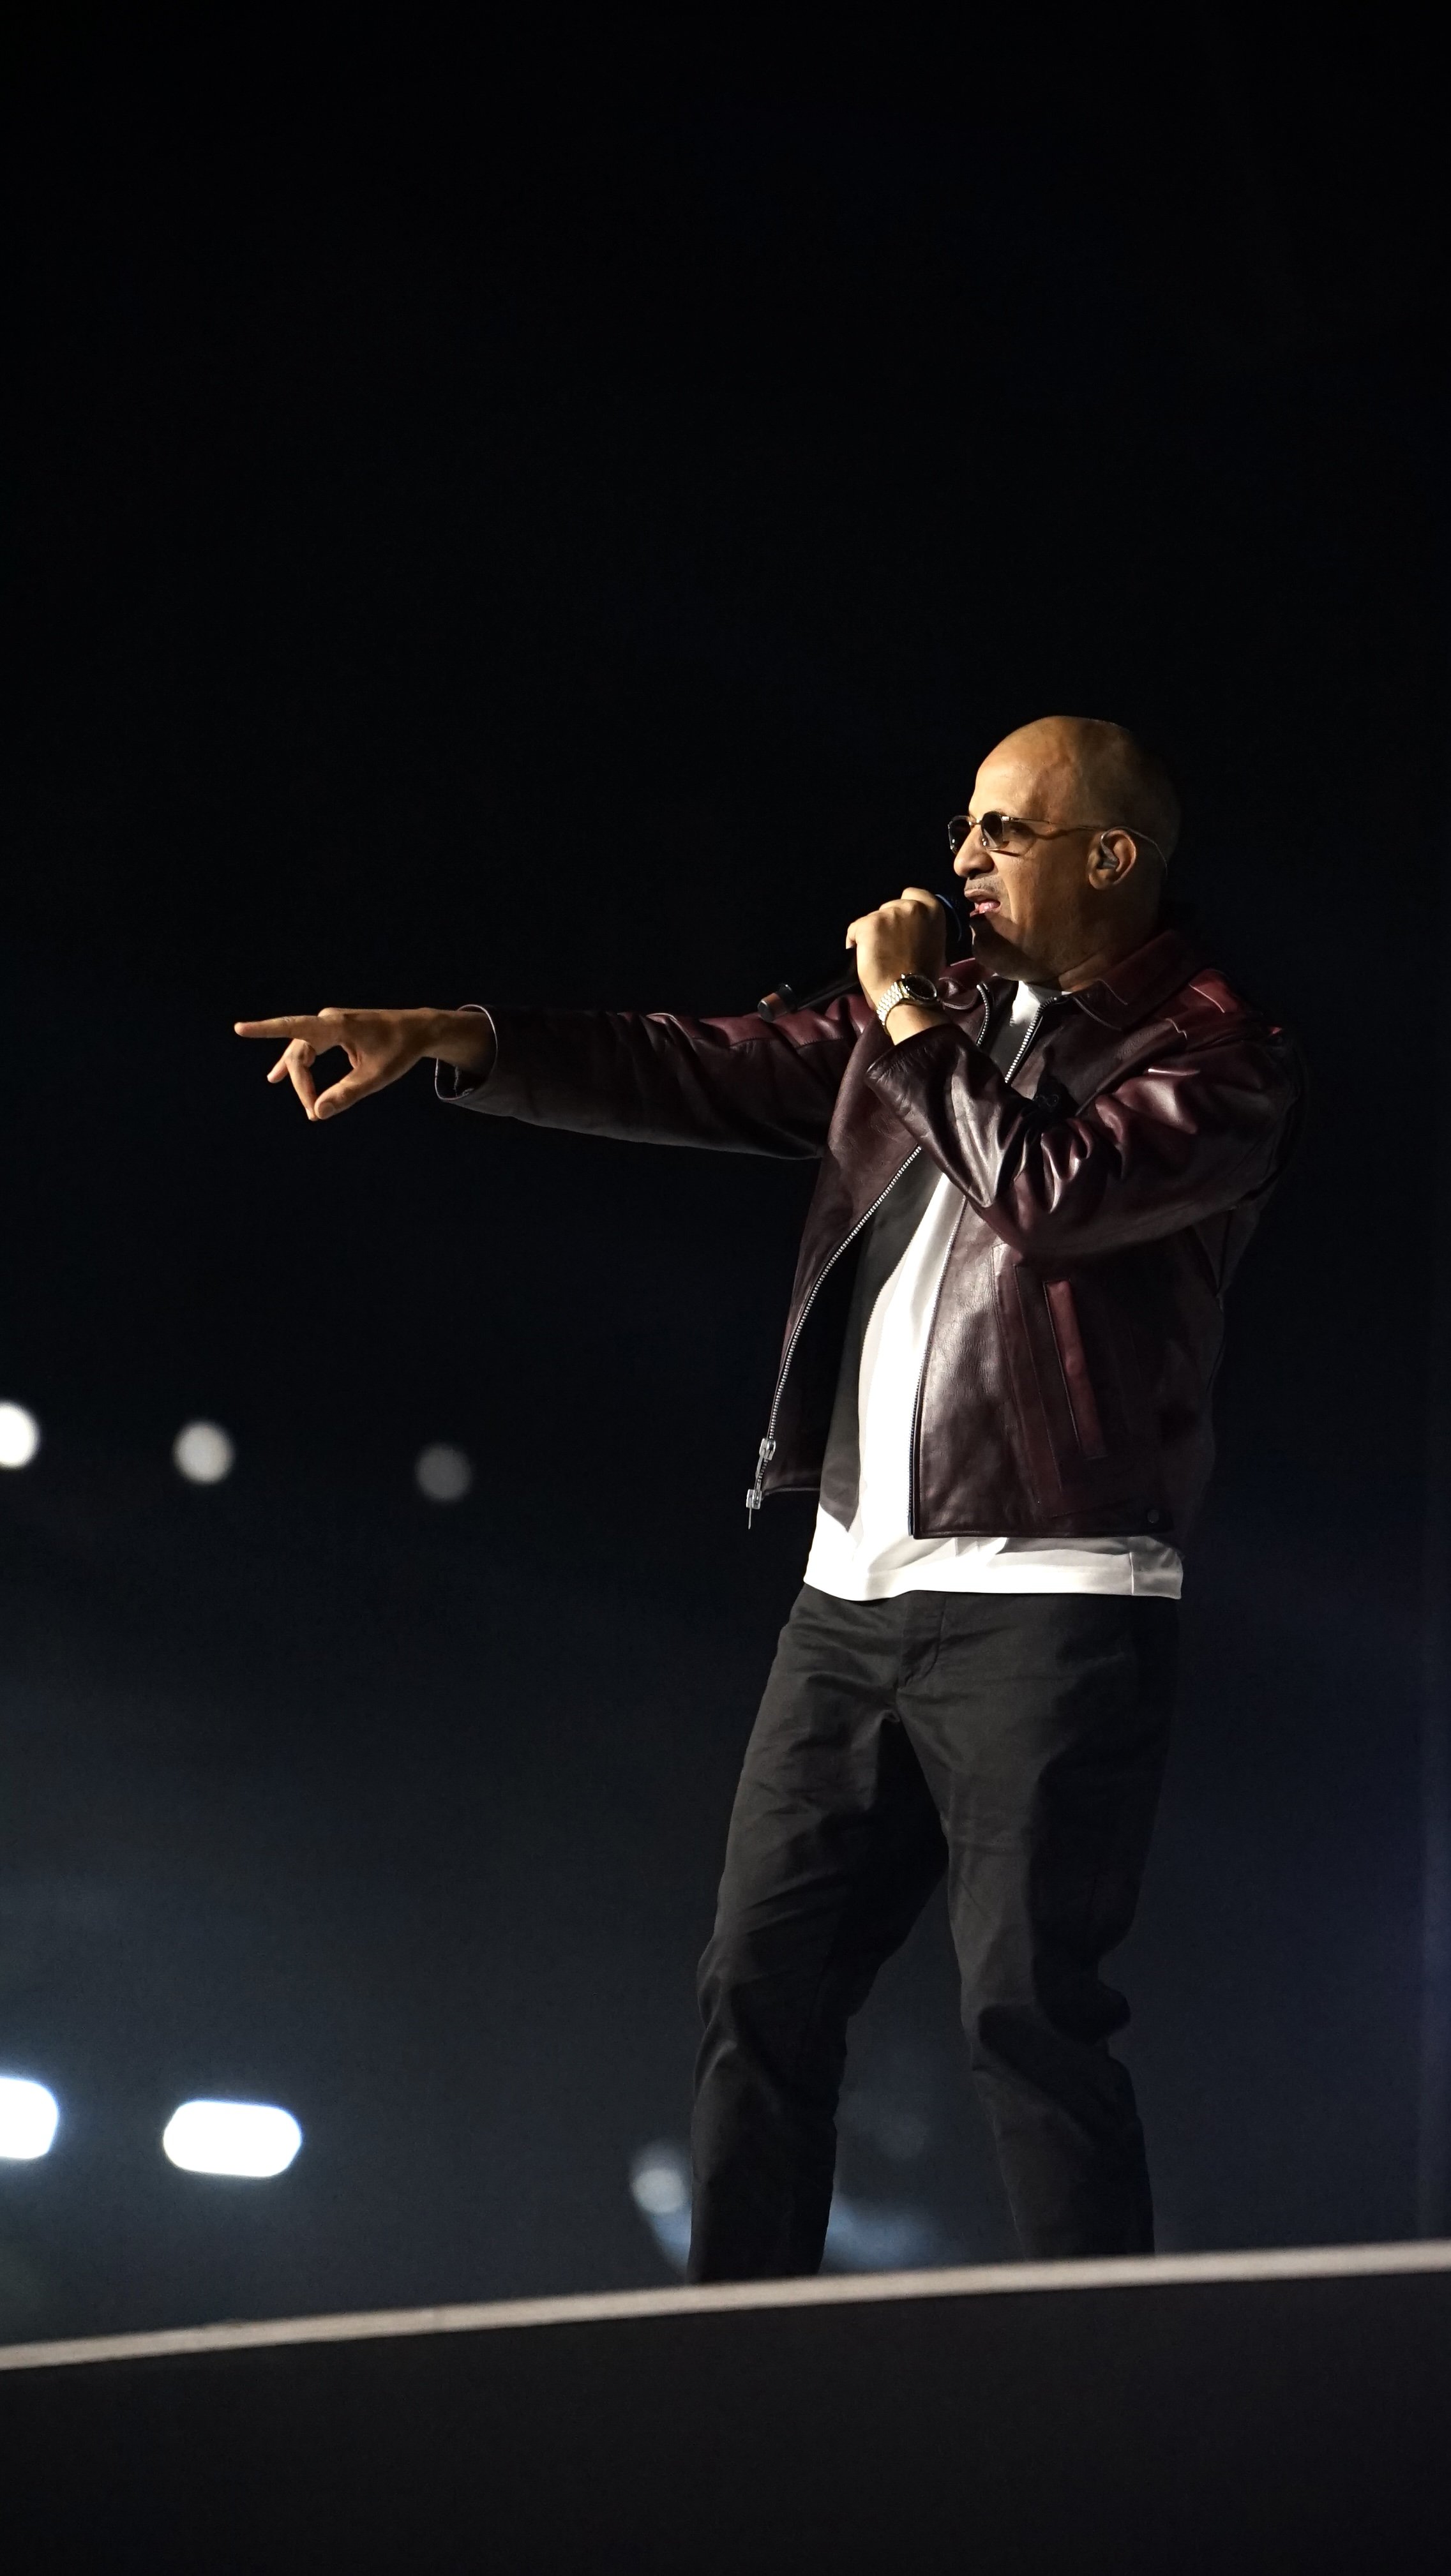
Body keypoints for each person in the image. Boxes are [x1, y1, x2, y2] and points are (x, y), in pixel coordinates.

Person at [236, 714, 1302, 2273]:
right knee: (757, 1989)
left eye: (1002, 832)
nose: (961, 861)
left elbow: (1051, 1195)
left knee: (1028, 2008)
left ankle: (1107, 2373)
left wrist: (901, 1016)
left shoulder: (1217, 1050)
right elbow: (703, 1059)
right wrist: (453, 1031)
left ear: (1110, 856)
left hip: (1056, 1600)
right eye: (965, 828)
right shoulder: (935, 1012)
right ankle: (735, 2364)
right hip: (850, 1597)